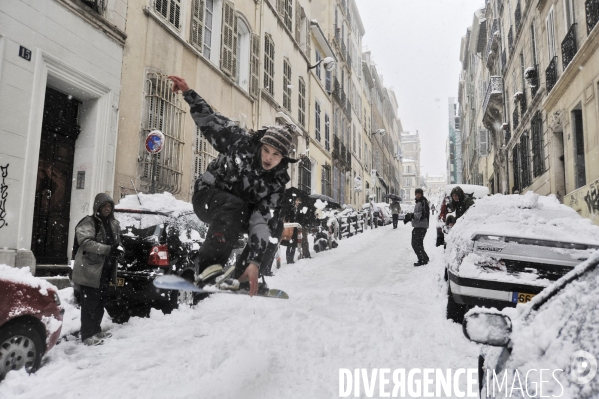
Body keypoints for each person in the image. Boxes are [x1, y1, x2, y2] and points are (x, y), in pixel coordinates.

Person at [169, 75, 297, 296]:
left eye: (275, 155)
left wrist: (255, 260)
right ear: (261, 145)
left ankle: (245, 274)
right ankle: (209, 271)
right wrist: (188, 93)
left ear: (283, 159)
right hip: (207, 196)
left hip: (235, 212)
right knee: (235, 206)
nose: (268, 158)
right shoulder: (240, 142)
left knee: (274, 224)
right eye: (266, 150)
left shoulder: (276, 183)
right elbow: (210, 121)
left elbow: (261, 221)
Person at [72, 193, 124, 346]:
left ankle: (96, 330)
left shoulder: (113, 223)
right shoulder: (88, 222)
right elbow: (86, 242)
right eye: (104, 206)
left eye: (109, 206)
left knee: (101, 302)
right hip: (90, 271)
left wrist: (120, 250)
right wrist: (109, 249)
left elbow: (118, 242)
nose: (107, 209)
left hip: (106, 271)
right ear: (97, 207)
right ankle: (87, 335)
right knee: (90, 304)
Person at [410, 188, 430, 266]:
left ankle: (422, 260)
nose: (417, 195)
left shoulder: (423, 202)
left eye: (419, 193)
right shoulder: (419, 202)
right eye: (416, 193)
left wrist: (412, 215)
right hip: (419, 225)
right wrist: (410, 217)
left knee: (415, 243)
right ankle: (424, 258)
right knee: (418, 243)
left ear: (421, 194)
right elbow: (418, 214)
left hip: (421, 226)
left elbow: (422, 215)